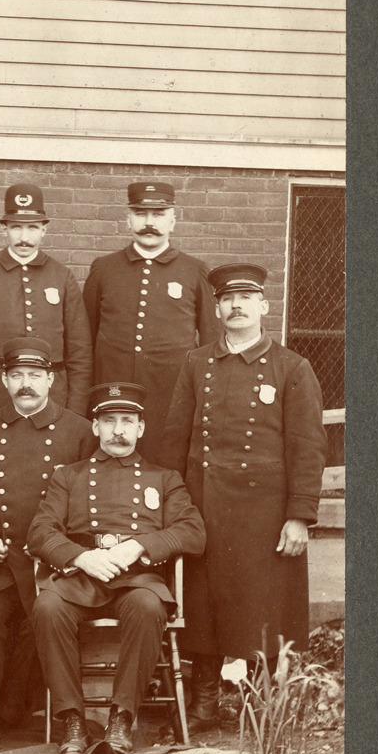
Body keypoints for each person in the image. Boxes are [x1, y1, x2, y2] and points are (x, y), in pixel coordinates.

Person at [158, 263, 326, 725]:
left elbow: (308, 447)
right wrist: (173, 505)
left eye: (245, 299)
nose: (236, 307)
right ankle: (204, 700)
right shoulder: (196, 363)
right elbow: (175, 439)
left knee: (262, 604)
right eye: (228, 300)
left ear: (263, 306)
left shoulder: (292, 367)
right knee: (203, 601)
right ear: (217, 309)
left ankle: (261, 702)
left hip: (265, 512)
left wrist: (299, 515)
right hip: (204, 505)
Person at [26, 383, 206, 754]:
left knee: (148, 606)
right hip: (82, 577)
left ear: (141, 428)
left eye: (127, 421)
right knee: (47, 608)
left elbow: (193, 531)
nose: (118, 430)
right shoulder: (69, 476)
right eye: (109, 421)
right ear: (95, 427)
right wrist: (80, 557)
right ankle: (72, 721)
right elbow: (40, 531)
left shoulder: (163, 478)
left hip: (136, 577)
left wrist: (140, 545)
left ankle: (122, 718)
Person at [0, 335, 95, 735]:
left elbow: (90, 502)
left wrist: (60, 548)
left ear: (51, 379)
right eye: (17, 376)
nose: (25, 384)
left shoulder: (79, 431)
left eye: (34, 375)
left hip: (53, 562)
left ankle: (16, 711)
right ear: (4, 380)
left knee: (42, 619)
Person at [80, 181, 214, 467]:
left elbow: (211, 343)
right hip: (113, 392)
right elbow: (85, 338)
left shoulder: (194, 271)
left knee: (166, 466)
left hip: (171, 396)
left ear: (173, 220)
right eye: (141, 214)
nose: (149, 223)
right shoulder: (104, 268)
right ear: (128, 219)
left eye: (159, 214)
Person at [0, 183, 90, 421]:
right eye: (16, 228)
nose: (24, 238)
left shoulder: (62, 276)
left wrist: (76, 408)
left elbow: (79, 350)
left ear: (44, 230)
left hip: (52, 394)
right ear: (4, 230)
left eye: (32, 228)